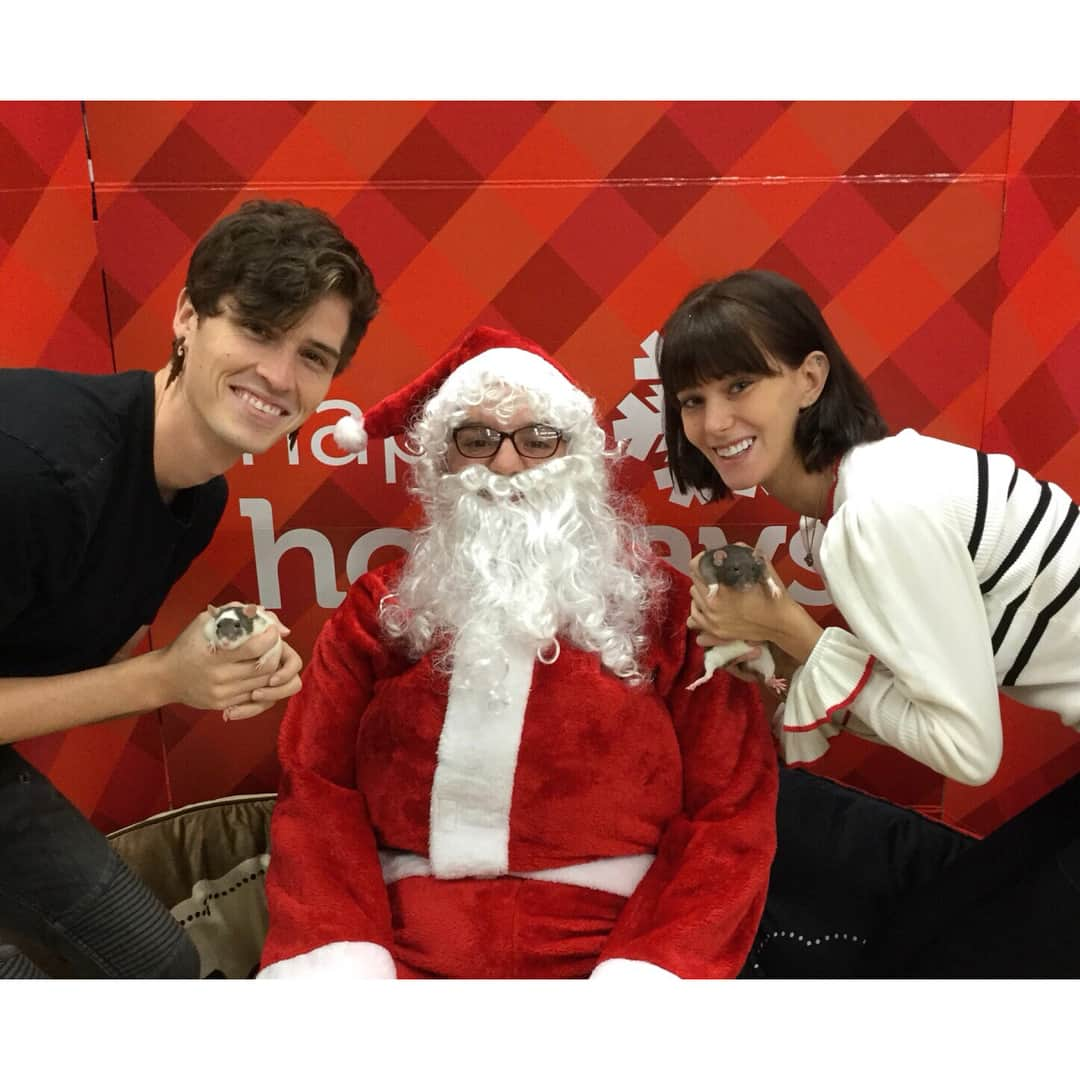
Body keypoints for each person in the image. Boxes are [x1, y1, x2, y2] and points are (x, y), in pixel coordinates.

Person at [258, 326, 777, 980]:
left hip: (609, 950)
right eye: (476, 441)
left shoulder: (670, 610)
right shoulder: (378, 610)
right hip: (405, 952)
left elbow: (731, 815)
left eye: (537, 441)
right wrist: (340, 960)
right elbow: (316, 791)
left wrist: (655, 971)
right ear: (440, 464)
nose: (505, 466)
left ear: (579, 458)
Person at [656, 268, 1080, 976]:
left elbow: (968, 751)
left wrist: (789, 630)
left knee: (961, 961)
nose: (713, 423)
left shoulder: (875, 514)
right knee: (947, 921)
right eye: (693, 399)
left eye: (739, 386)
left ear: (811, 378)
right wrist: (780, 642)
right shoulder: (867, 491)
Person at [0, 198, 379, 979]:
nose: (279, 375)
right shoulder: (37, 470)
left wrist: (224, 652)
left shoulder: (197, 495)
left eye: (313, 355)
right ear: (185, 317)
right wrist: (165, 678)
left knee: (155, 969)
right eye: (257, 330)